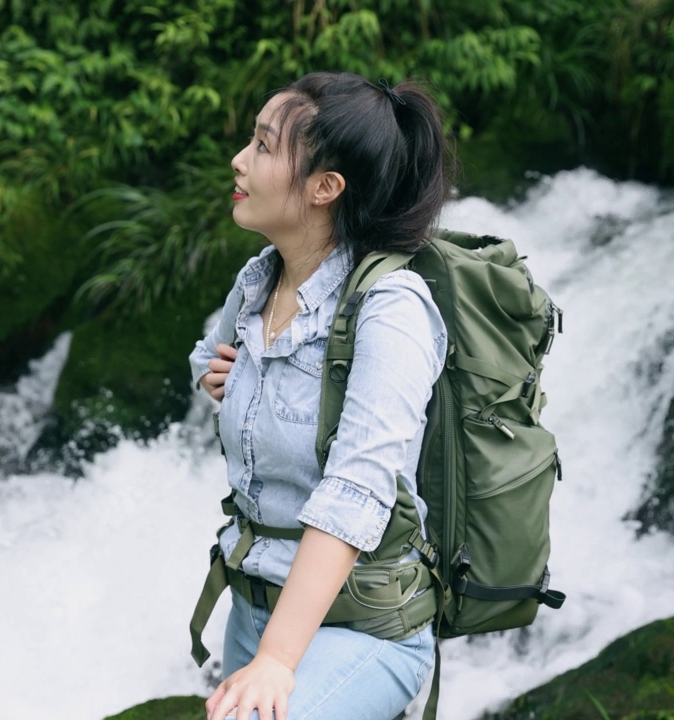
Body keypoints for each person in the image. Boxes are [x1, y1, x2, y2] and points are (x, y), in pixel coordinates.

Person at [188, 71, 452, 720]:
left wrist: (277, 662)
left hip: (361, 625)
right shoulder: (260, 278)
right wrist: (217, 377)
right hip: (254, 604)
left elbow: (355, 493)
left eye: (263, 146)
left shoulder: (391, 312)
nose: (238, 161)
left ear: (325, 187)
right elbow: (204, 358)